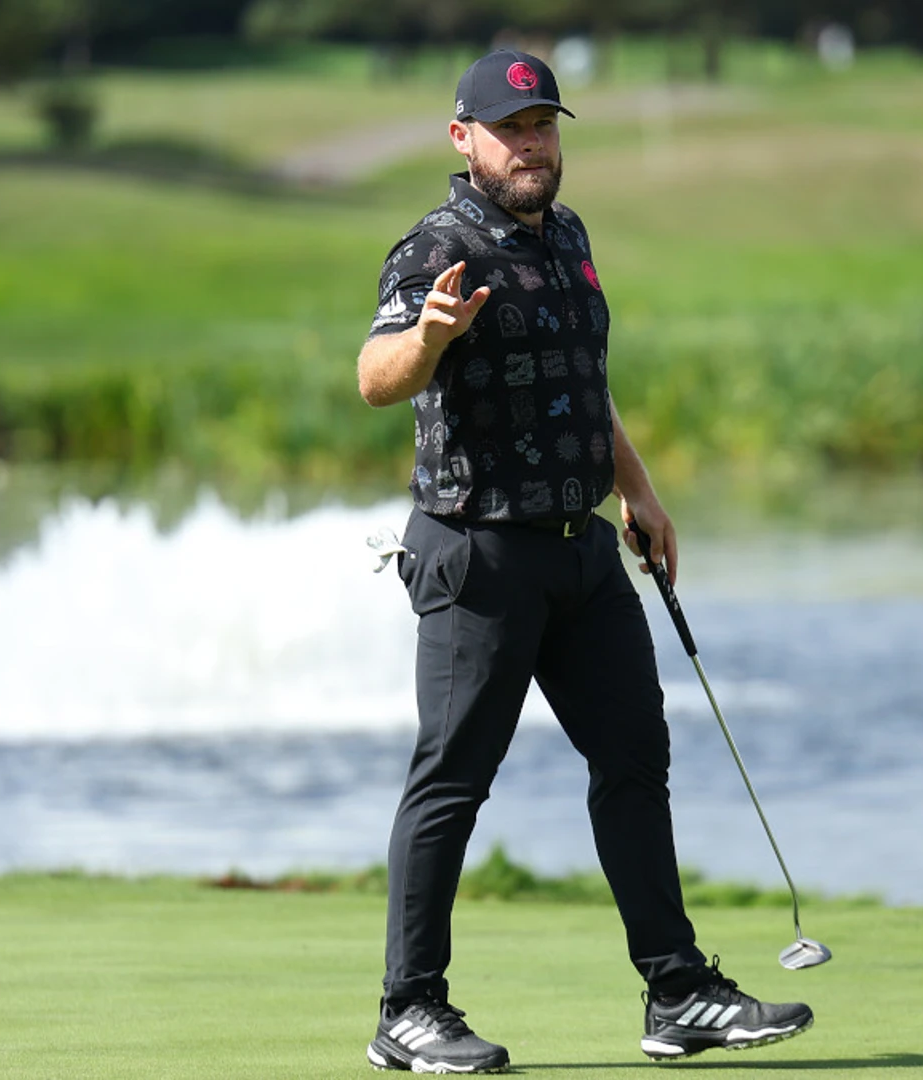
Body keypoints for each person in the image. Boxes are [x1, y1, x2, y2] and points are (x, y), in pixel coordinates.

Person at [355, 50, 814, 1073]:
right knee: (454, 781)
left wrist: (637, 489)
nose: (531, 145)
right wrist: (429, 338)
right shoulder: (434, 248)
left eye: (544, 126)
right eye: (510, 128)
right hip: (478, 554)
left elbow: (580, 381)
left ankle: (677, 991)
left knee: (635, 759)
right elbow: (375, 378)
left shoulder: (567, 236)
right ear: (463, 138)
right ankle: (408, 1010)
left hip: (580, 549)